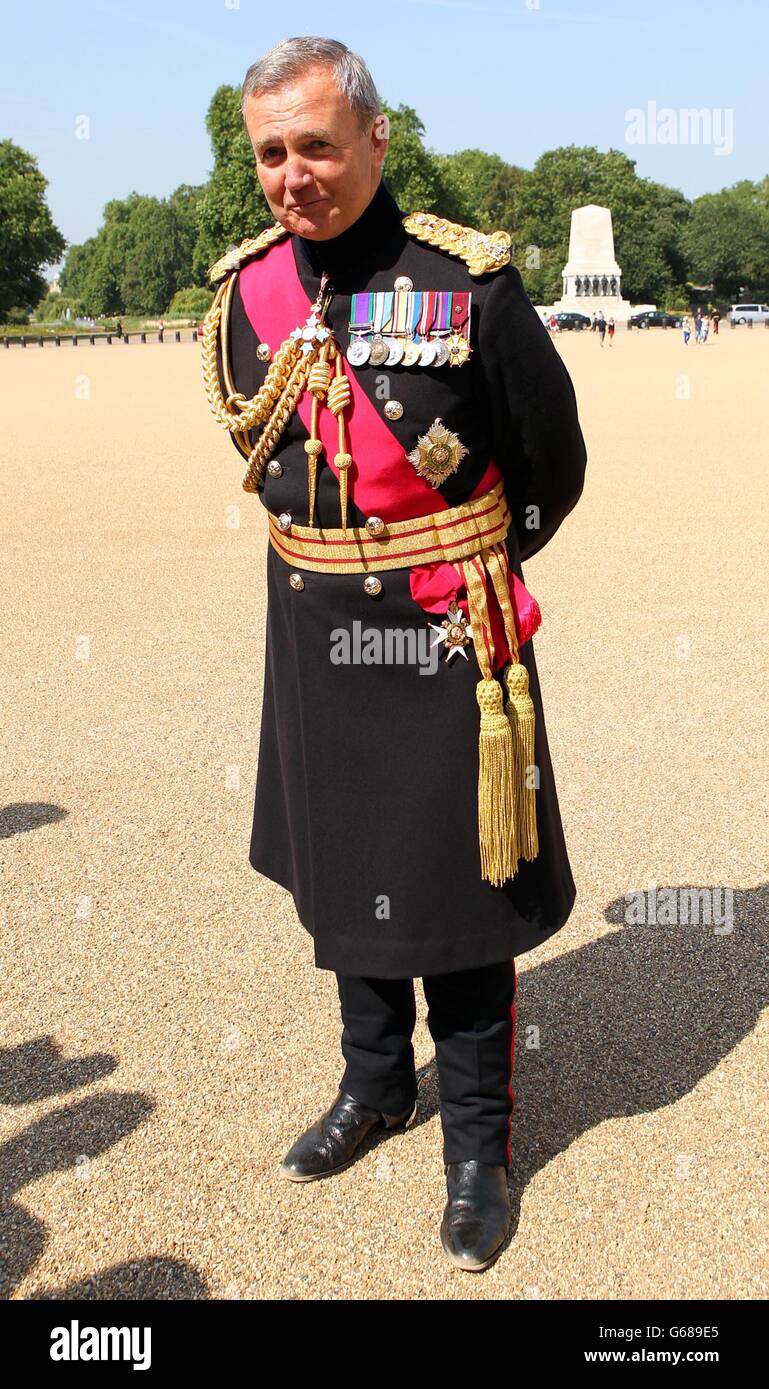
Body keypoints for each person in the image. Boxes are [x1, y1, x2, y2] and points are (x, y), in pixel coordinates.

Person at [201, 36, 586, 1272]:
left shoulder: (465, 284)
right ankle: (375, 1086)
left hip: (442, 631)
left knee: (463, 894)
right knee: (345, 872)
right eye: (271, 153)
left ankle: (478, 1145)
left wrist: (481, 565)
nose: (293, 175)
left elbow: (551, 461)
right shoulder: (247, 290)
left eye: (316, 145)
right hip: (313, 627)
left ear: (376, 138)